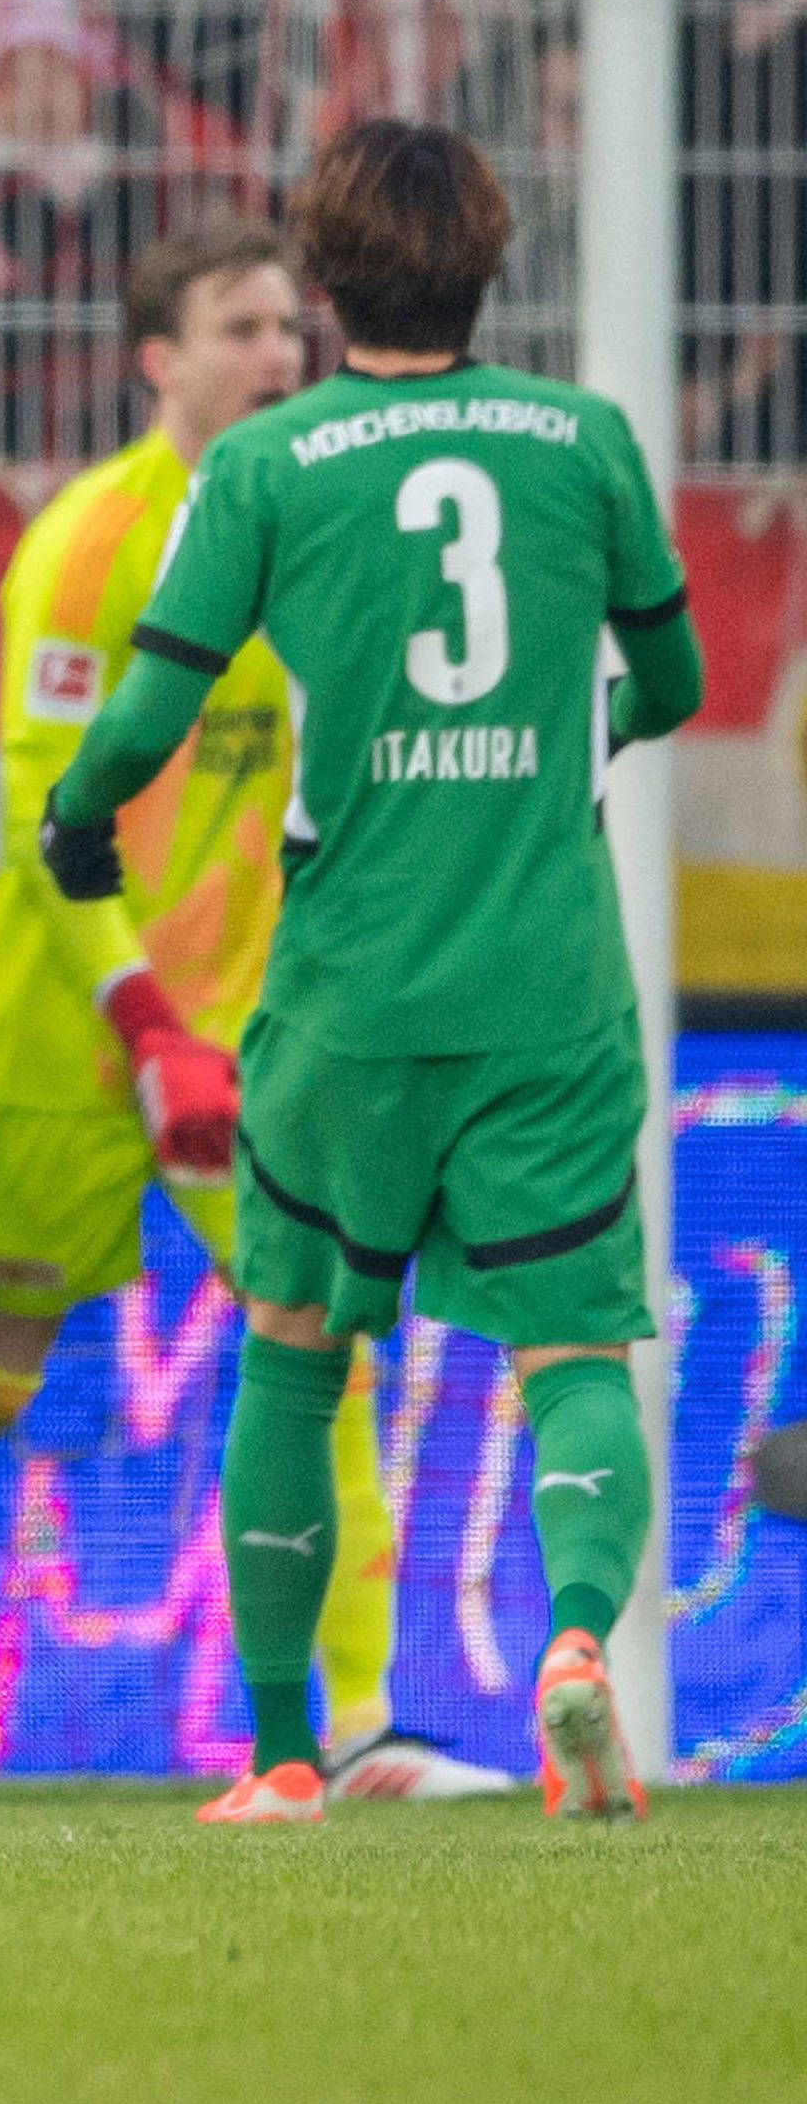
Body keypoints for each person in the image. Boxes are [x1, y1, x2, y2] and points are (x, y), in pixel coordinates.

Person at [40, 122, 705, 1827]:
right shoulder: (584, 439)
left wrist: (78, 822)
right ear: (491, 263)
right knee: (571, 1348)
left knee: (289, 1345)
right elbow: (677, 675)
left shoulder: (266, 465)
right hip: (545, 984)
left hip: (343, 990)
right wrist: (570, 746)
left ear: (323, 287)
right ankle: (572, 1648)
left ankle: (278, 1755)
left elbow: (145, 712)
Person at [0, 219, 512, 1805]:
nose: (280, 353)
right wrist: (142, 1023)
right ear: (159, 359)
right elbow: (36, 816)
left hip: (248, 1042)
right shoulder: (87, 545)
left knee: (316, 1335)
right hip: (70, 1040)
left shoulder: (334, 528)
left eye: (291, 327)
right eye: (244, 327)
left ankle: (353, 1725)